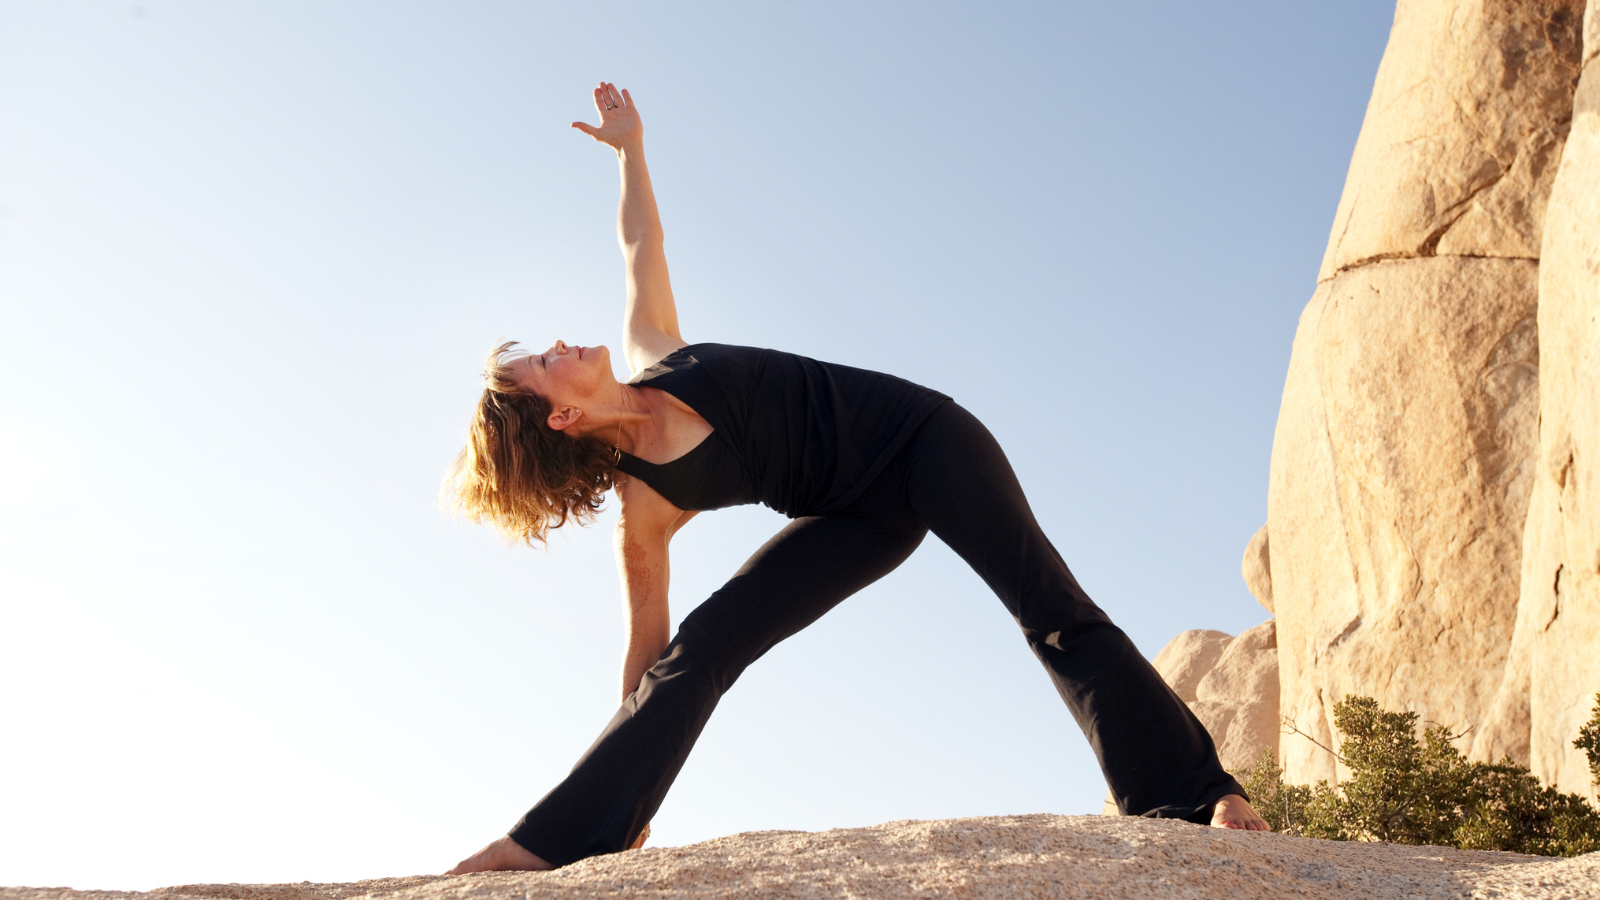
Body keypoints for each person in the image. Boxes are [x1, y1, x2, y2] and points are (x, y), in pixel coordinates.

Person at [443, 82, 1268, 874]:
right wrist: (623, 797)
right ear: (561, 417)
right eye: (545, 363)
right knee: (705, 646)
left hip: (925, 439)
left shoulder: (656, 349)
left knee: (1047, 604)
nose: (561, 344)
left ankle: (1197, 793)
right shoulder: (646, 506)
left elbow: (639, 244)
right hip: (858, 519)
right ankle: (572, 836)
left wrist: (631, 152)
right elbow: (650, 658)